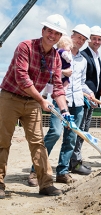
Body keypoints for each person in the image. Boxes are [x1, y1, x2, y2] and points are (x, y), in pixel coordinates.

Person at [0, 14, 69, 198]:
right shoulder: (25, 47)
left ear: (60, 37)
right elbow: (22, 79)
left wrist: (65, 111)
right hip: (10, 98)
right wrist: (41, 100)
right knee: (2, 141)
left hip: (32, 103)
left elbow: (58, 87)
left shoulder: (55, 57)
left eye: (56, 33)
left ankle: (45, 184)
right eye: (49, 31)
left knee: (38, 143)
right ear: (43, 30)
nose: (52, 36)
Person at [28, 24, 94, 186]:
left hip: (77, 102)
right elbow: (48, 72)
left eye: (84, 39)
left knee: (71, 138)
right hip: (60, 100)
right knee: (55, 133)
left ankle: (62, 171)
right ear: (72, 36)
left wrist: (90, 92)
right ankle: (36, 170)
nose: (80, 41)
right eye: (78, 37)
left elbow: (81, 82)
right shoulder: (57, 53)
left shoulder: (83, 60)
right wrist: (62, 72)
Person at [70, 26, 101, 174]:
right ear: (89, 40)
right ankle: (74, 162)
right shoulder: (83, 55)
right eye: (94, 38)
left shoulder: (96, 56)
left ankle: (76, 160)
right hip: (82, 99)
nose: (96, 41)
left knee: (85, 130)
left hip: (91, 99)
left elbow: (96, 80)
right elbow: (81, 80)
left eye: (99, 39)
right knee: (80, 131)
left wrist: (98, 95)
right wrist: (89, 96)